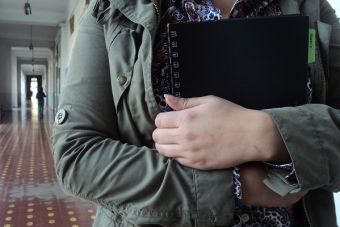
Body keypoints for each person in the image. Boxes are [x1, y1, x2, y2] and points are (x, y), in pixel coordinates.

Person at [52, 0, 340, 226]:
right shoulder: (114, 8)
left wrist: (267, 134)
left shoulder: (311, 7)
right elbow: (76, 155)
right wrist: (237, 187)